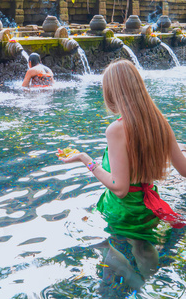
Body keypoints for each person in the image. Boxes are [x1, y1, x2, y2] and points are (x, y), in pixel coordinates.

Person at [60, 59, 186, 291]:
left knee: (102, 247)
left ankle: (135, 285)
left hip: (124, 212)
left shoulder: (117, 129)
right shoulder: (160, 123)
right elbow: (185, 170)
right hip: (148, 209)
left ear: (112, 92)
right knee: (143, 248)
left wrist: (86, 160)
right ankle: (151, 289)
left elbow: (120, 188)